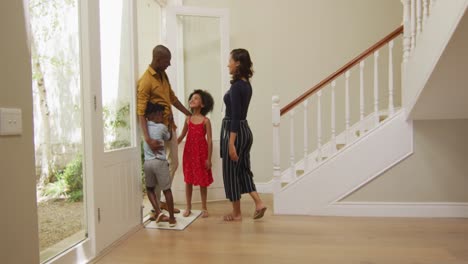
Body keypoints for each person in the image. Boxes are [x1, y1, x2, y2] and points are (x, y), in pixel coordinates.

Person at [137, 45, 192, 213]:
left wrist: (188, 113)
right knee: (161, 164)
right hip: (155, 130)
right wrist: (147, 138)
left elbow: (172, 98)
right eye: (167, 61)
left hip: (169, 126)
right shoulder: (146, 80)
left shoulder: (163, 75)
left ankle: (160, 202)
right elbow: (140, 111)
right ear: (158, 60)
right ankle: (158, 205)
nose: (169, 64)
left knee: (174, 162)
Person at [221, 48, 267, 221]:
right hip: (245, 131)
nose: (228, 64)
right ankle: (259, 203)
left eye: (230, 61)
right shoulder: (246, 84)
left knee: (231, 172)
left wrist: (231, 143)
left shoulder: (235, 87)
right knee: (243, 170)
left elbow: (235, 116)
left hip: (235, 132)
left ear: (237, 63)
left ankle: (237, 213)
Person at [177, 89, 214, 218]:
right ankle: (188, 207)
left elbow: (209, 140)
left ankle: (204, 207)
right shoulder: (188, 119)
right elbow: (182, 135)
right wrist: (173, 144)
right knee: (188, 180)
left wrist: (209, 158)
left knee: (203, 181)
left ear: (202, 105)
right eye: (191, 98)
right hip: (189, 154)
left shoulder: (206, 121)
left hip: (201, 154)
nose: (192, 100)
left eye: (196, 98)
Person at [142, 102, 176, 227]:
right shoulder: (162, 127)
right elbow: (169, 137)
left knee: (150, 189)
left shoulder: (144, 126)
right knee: (167, 190)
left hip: (148, 163)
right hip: (160, 162)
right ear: (154, 115)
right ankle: (172, 218)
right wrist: (170, 124)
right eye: (161, 114)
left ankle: (158, 211)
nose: (162, 116)